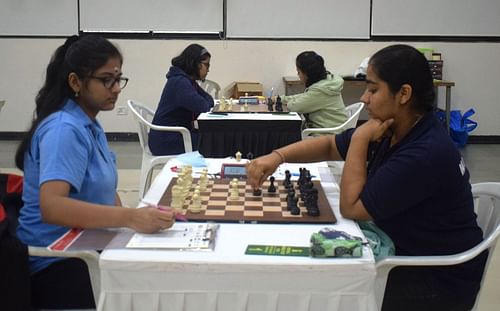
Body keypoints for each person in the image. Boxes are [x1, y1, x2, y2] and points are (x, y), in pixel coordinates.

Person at [247, 44, 486, 310]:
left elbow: (352, 208)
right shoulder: (395, 126)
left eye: (373, 89)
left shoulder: (424, 151)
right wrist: (277, 157)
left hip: (434, 279)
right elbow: (329, 145)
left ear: (404, 94)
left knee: (319, 288)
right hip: (405, 252)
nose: (363, 98)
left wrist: (360, 139)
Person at [15, 35, 175, 309]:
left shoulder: (88, 122)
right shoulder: (64, 129)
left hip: (86, 245)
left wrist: (132, 225)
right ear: (76, 82)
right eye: (106, 80)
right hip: (57, 261)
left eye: (119, 79)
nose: (116, 89)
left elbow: (106, 189)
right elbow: (51, 207)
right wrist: (130, 217)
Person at [149, 43, 214, 155]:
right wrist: (205, 102)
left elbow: (209, 99)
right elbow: (204, 107)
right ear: (196, 64)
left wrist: (205, 102)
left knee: (212, 137)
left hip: (176, 134)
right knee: (213, 141)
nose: (208, 70)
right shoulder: (180, 83)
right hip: (166, 140)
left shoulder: (187, 80)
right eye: (206, 65)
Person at [280, 51, 347, 130]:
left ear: (308, 73)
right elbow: (305, 97)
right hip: (334, 130)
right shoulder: (326, 83)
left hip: (329, 134)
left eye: (299, 71)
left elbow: (293, 107)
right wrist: (282, 99)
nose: (298, 74)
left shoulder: (320, 91)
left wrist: (286, 101)